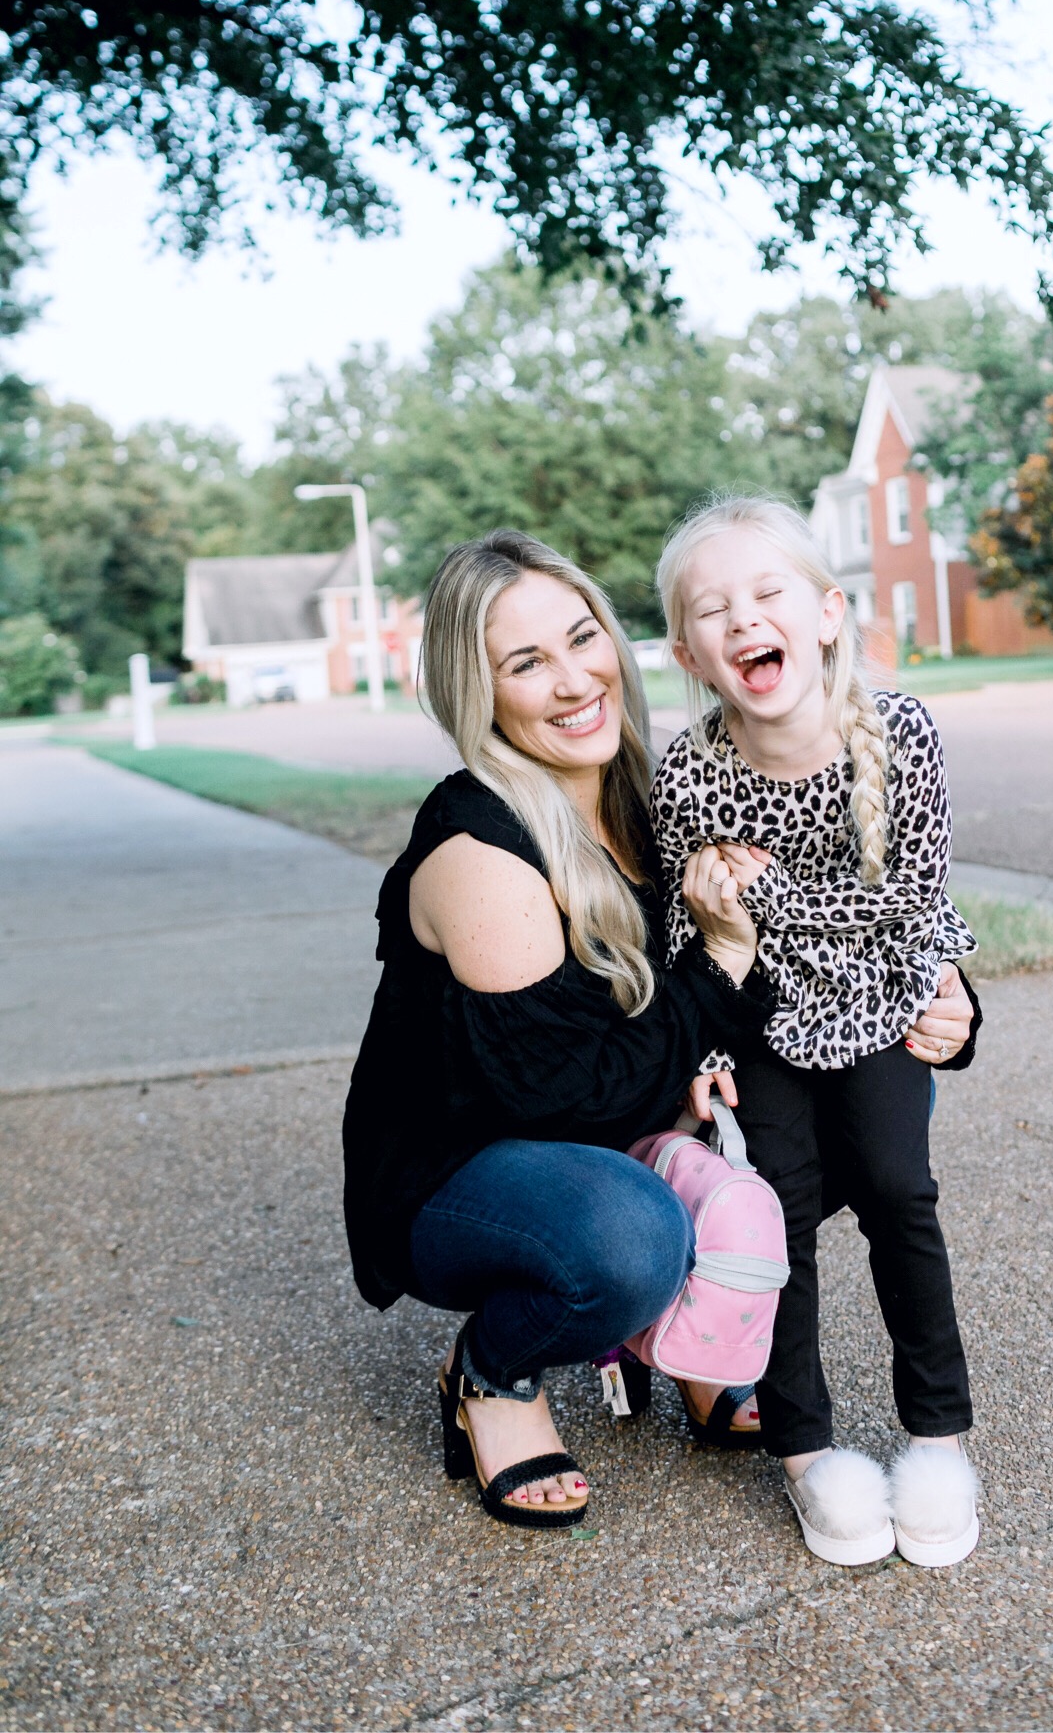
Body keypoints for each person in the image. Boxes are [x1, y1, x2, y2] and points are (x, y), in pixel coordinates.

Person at [342, 529, 776, 1531]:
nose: (575, 678)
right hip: (465, 1168)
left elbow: (809, 910)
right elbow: (560, 1095)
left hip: (607, 1130)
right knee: (627, 1238)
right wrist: (713, 973)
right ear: (478, 693)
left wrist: (945, 999)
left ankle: (691, 1335)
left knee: (840, 1099)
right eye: (526, 662)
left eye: (583, 639)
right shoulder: (477, 845)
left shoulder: (655, 794)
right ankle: (493, 1369)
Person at [652, 494, 983, 1569]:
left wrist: (769, 899)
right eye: (714, 607)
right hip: (758, 1017)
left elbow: (909, 902)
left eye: (767, 592)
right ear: (690, 650)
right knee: (776, 1215)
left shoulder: (904, 733)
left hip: (884, 993)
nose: (744, 617)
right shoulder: (691, 769)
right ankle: (806, 1452)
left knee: (898, 1184)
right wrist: (707, 1034)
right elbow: (680, 932)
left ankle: (939, 1436)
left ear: (827, 612)